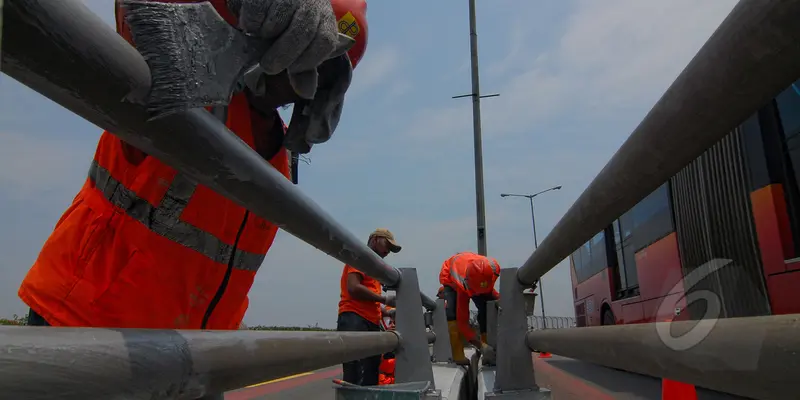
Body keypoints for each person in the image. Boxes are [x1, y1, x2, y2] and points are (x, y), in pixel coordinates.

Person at [17, 0, 369, 329]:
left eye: (322, 67)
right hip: (84, 324)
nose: (300, 72)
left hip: (194, 357)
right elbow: (137, 13)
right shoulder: (183, 81)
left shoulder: (282, 157)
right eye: (296, 47)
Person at [337, 228, 401, 386]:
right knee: (357, 375)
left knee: (371, 374)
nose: (387, 252)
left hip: (369, 321)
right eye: (386, 245)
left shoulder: (374, 267)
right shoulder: (361, 256)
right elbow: (353, 288)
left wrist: (387, 311)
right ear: (375, 239)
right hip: (355, 318)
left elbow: (370, 299)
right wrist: (385, 299)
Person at [439, 252, 500, 365]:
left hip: (473, 274)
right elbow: (463, 323)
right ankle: (458, 355)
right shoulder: (462, 284)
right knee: (453, 315)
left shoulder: (493, 269)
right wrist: (481, 346)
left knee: (486, 308)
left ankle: (490, 348)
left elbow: (493, 295)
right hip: (450, 277)